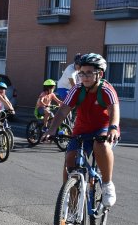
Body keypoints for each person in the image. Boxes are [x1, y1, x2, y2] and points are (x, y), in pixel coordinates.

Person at [45, 53, 120, 207]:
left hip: (104, 128)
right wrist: (51, 130)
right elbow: (63, 110)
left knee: (101, 145)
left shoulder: (106, 89)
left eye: (89, 73)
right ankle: (71, 204)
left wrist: (113, 128)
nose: (84, 77)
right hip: (81, 130)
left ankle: (107, 184)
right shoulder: (77, 89)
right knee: (70, 159)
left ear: (100, 74)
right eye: (81, 73)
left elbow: (114, 110)